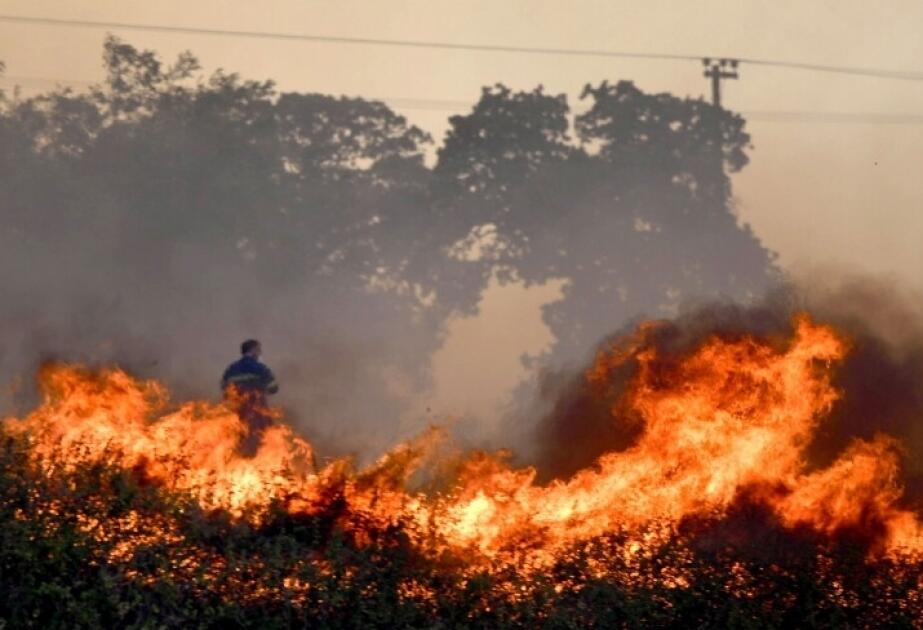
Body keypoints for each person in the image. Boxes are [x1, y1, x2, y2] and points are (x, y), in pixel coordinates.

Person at [221, 339, 279, 455]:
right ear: (253, 350)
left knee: (238, 441)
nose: (260, 353)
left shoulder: (231, 369)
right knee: (262, 440)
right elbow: (274, 387)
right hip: (257, 412)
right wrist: (262, 388)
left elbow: (224, 388)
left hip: (237, 413)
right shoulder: (260, 368)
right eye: (258, 350)